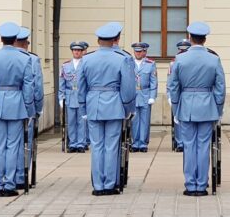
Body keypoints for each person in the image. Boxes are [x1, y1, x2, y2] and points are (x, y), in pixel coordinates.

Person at [77, 22, 136, 195]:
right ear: (116, 39)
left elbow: (80, 87)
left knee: (96, 146)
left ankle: (98, 185)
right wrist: (128, 109)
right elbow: (128, 88)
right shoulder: (123, 58)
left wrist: (83, 109)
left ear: (98, 40)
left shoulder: (86, 59)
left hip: (93, 104)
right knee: (111, 146)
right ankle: (110, 184)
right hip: (114, 105)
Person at [168, 22, 226, 196]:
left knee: (188, 145)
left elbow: (173, 86)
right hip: (207, 105)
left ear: (190, 38)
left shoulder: (180, 59)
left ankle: (190, 184)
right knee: (203, 146)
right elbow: (220, 88)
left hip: (186, 104)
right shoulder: (214, 59)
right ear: (205, 39)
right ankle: (201, 184)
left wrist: (176, 108)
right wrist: (218, 109)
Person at [0, 22, 36, 197]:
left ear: (1, 39)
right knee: (13, 146)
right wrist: (29, 109)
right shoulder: (24, 58)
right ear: (15, 39)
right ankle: (10, 183)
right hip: (17, 104)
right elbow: (28, 87)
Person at [14, 28, 44, 189]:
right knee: (25, 141)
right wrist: (38, 108)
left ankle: (6, 176)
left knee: (5, 144)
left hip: (2, 107)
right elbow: (37, 87)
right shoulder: (32, 59)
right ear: (26, 43)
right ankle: (21, 176)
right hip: (26, 106)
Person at [60, 41, 87, 152]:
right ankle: (72, 143)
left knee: (81, 122)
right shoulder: (65, 65)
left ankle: (80, 144)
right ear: (72, 51)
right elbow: (62, 82)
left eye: (79, 50)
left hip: (82, 96)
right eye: (75, 50)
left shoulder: (86, 64)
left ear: (82, 52)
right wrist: (61, 97)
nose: (77, 52)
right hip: (70, 96)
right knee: (71, 122)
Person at [131, 42, 158, 152]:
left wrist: (152, 96)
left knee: (145, 121)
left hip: (145, 94)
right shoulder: (129, 63)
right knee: (134, 121)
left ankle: (142, 143)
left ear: (144, 52)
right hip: (132, 96)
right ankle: (134, 142)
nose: (137, 53)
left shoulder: (150, 64)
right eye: (136, 51)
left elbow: (153, 82)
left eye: (140, 51)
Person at [169, 39, 192, 151]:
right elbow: (171, 81)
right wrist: (169, 95)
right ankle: (180, 143)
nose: (182, 52)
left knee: (188, 120)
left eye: (184, 50)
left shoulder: (192, 61)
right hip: (178, 94)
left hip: (188, 93)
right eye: (181, 50)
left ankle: (188, 141)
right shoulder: (174, 62)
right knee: (177, 120)